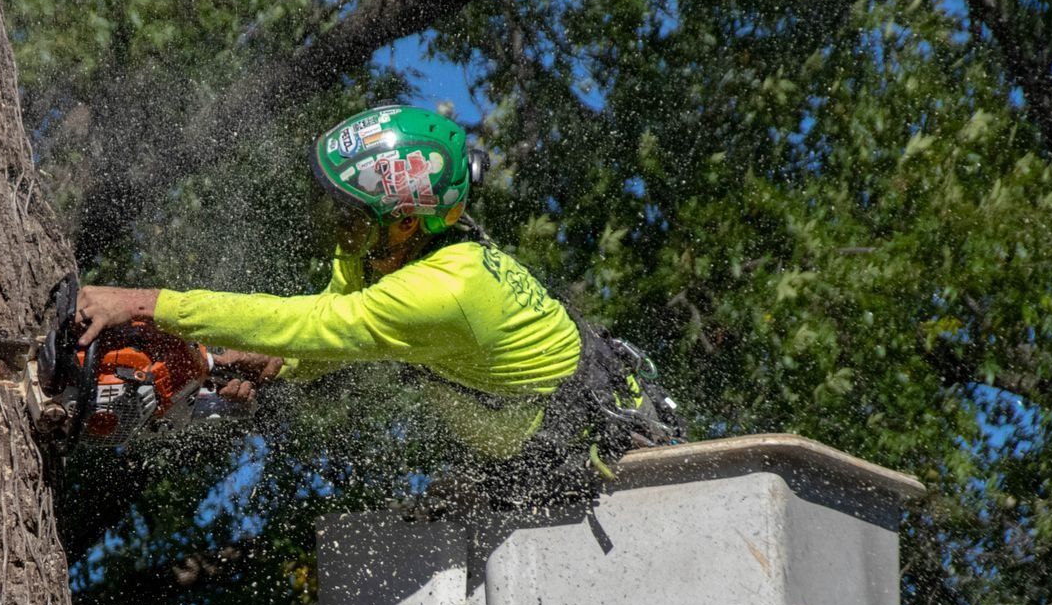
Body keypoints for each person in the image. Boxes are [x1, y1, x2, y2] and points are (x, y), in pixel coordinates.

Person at [73, 103, 676, 499]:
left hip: (601, 459)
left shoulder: (445, 291)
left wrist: (148, 302)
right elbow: (325, 330)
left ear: (407, 224)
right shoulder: (384, 255)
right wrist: (275, 362)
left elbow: (316, 322)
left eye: (352, 220)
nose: (340, 233)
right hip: (526, 450)